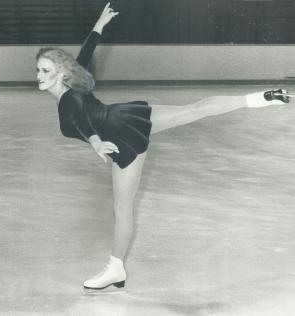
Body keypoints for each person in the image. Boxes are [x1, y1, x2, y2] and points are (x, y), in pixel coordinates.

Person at [36, 3, 290, 290]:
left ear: (59, 74)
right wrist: (99, 26)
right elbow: (84, 56)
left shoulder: (68, 100)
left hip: (119, 138)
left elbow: (81, 121)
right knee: (193, 110)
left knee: (122, 208)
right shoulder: (74, 85)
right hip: (126, 116)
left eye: (45, 71)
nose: (39, 76)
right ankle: (261, 98)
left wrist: (95, 142)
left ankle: (115, 269)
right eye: (38, 70)